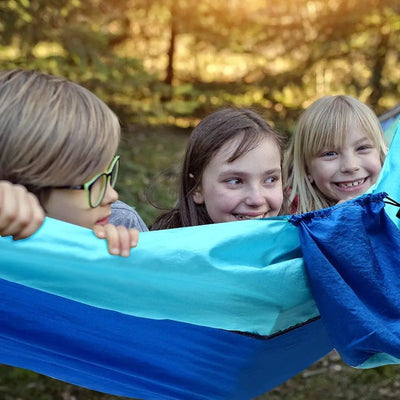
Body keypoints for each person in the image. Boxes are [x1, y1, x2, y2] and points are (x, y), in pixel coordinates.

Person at [0, 69, 139, 256]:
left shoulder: (120, 222)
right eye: (92, 183)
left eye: (107, 173)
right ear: (21, 192)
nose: (112, 196)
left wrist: (114, 267)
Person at [151, 108, 288, 230]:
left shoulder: (298, 247)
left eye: (270, 179)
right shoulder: (164, 254)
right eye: (235, 181)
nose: (257, 200)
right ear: (196, 188)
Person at [284, 95, 387, 214]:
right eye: (330, 154)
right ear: (307, 168)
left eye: (362, 148)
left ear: (380, 153)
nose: (350, 166)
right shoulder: (293, 224)